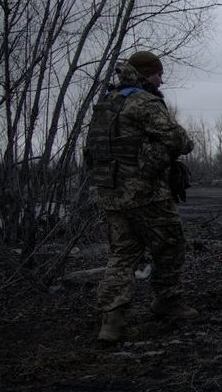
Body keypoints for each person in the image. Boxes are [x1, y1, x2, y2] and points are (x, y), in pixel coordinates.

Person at [84, 50, 196, 342]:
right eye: (158, 73)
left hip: (111, 195)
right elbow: (178, 139)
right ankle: (167, 302)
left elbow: (91, 149)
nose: (162, 79)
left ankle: (111, 321)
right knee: (171, 246)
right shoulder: (144, 102)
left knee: (121, 256)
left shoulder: (107, 103)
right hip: (147, 194)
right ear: (146, 74)